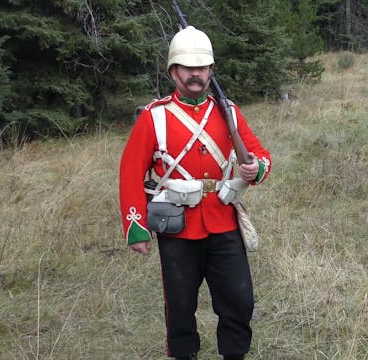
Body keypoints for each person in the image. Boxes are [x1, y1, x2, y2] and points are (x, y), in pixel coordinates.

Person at [119, 26, 271, 360]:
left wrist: (254, 169)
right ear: (174, 71)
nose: (196, 75)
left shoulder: (227, 110)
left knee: (239, 301)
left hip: (223, 223)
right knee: (180, 306)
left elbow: (261, 156)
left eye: (202, 68)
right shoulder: (153, 116)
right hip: (176, 227)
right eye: (188, 68)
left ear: (211, 71)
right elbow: (130, 173)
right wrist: (135, 227)